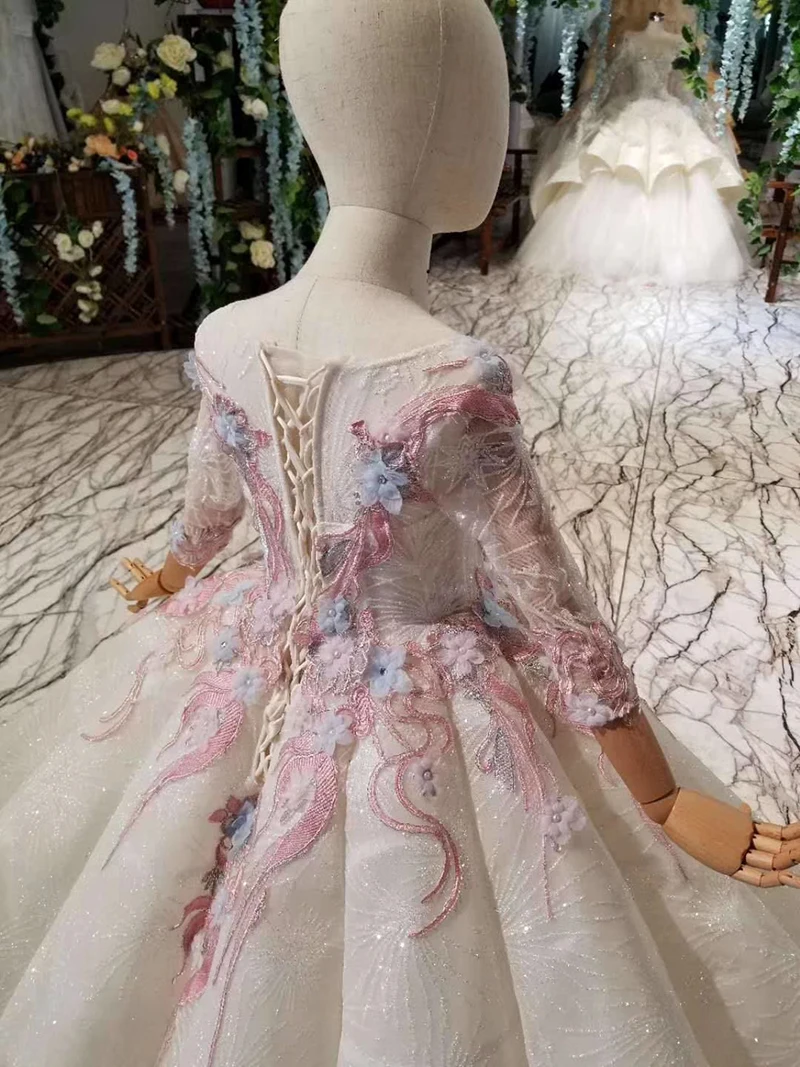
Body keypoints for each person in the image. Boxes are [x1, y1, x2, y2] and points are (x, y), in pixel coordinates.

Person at [1, 2, 798, 1065]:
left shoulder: (228, 332)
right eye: (483, 93)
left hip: (252, 637)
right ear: (436, 119)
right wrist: (655, 791)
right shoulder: (450, 376)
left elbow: (207, 512)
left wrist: (172, 573)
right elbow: (557, 609)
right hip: (422, 686)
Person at [518, 11, 750, 283]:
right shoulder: (630, 39)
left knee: (675, 169)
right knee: (615, 165)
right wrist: (587, 110)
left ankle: (669, 255)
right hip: (637, 108)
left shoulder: (678, 43)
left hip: (664, 111)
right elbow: (609, 81)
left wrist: (705, 118)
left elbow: (683, 87)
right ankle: (611, 251)